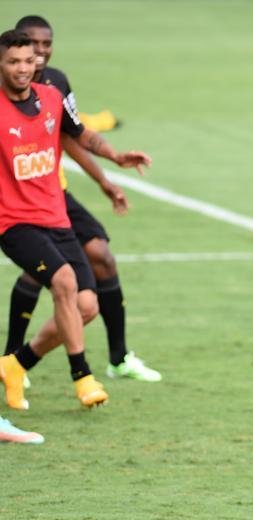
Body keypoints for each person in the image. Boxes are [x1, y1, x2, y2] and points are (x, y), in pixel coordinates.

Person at [4, 15, 162, 383]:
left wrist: (107, 175)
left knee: (100, 257)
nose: (37, 54)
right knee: (50, 273)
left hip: (55, 195)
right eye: (28, 49)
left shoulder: (55, 86)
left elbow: (71, 135)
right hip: (19, 204)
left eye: (44, 46)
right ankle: (17, 358)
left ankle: (117, 357)